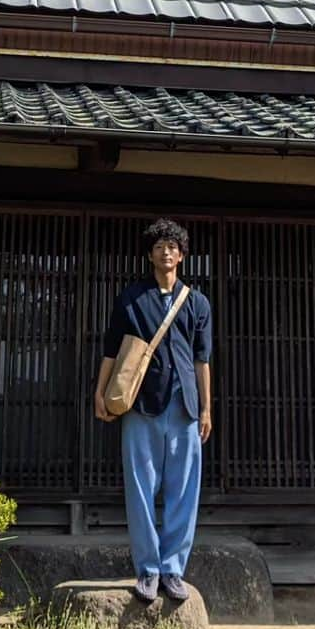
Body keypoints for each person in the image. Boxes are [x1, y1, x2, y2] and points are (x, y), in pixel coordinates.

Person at [94, 218, 213, 603]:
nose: (166, 252)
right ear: (149, 254)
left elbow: (202, 361)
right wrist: (100, 393)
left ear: (182, 255)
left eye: (172, 246)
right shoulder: (131, 298)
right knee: (141, 489)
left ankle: (173, 570)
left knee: (184, 490)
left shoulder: (197, 303)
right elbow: (112, 350)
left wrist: (207, 408)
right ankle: (147, 569)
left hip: (185, 406)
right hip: (141, 404)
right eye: (159, 246)